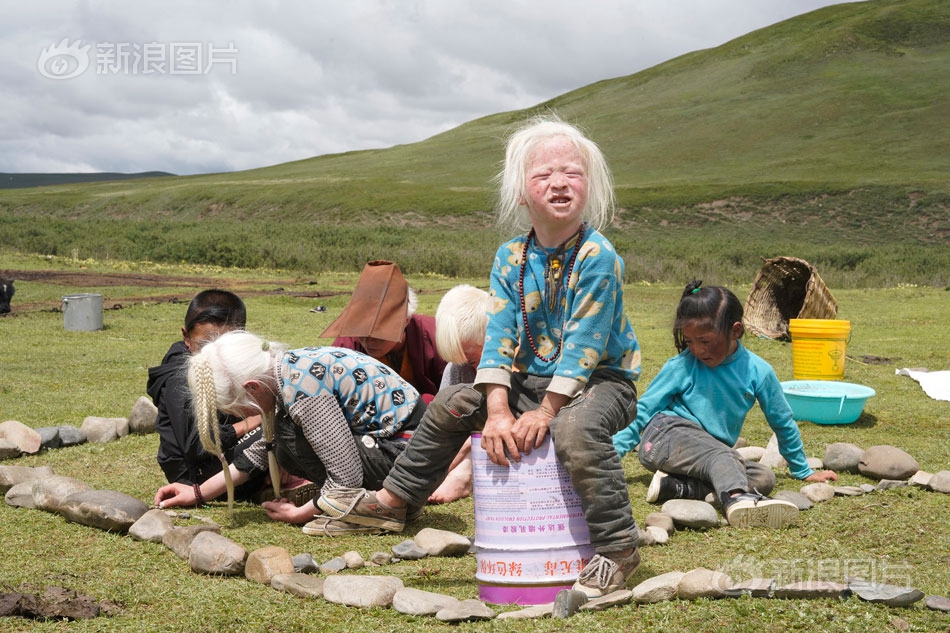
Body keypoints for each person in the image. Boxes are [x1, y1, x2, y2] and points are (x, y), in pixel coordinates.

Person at [313, 116, 644, 599]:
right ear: (522, 194)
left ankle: (617, 547)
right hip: (532, 379)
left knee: (575, 429)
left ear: (588, 186)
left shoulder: (599, 256)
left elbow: (584, 346)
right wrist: (497, 409)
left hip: (602, 382)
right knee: (451, 404)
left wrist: (545, 413)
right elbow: (501, 336)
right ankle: (392, 501)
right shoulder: (510, 257)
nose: (559, 183)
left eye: (572, 173)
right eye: (543, 174)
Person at [612, 281, 839, 528]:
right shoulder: (681, 366)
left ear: (735, 331)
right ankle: (736, 499)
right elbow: (643, 411)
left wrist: (802, 470)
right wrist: (611, 455)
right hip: (664, 438)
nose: (697, 350)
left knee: (763, 477)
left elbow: (782, 421)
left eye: (705, 341)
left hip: (709, 455)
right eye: (690, 341)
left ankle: (677, 487)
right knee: (724, 457)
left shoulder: (758, 371)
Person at [153, 331, 426, 536]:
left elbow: (347, 478)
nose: (241, 416)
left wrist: (299, 514)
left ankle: (362, 508)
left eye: (237, 409)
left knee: (288, 441)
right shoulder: (290, 368)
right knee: (281, 440)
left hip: (402, 458)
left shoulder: (304, 393)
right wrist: (198, 493)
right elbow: (261, 450)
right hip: (401, 454)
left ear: (252, 387)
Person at [147, 289, 264, 496]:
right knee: (273, 432)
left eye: (223, 345)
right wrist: (251, 423)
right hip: (197, 475)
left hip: (226, 455)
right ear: (186, 337)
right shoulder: (180, 377)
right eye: (204, 345)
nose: (213, 353)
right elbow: (197, 446)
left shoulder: (236, 360)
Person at [322, 260, 447, 399]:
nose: (368, 341)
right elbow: (328, 385)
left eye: (378, 334)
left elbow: (452, 393)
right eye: (362, 332)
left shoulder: (435, 336)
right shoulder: (347, 344)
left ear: (405, 321)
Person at [426, 284, 493, 504]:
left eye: (473, 359)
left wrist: (464, 450)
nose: (472, 367)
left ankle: (464, 474)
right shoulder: (457, 368)